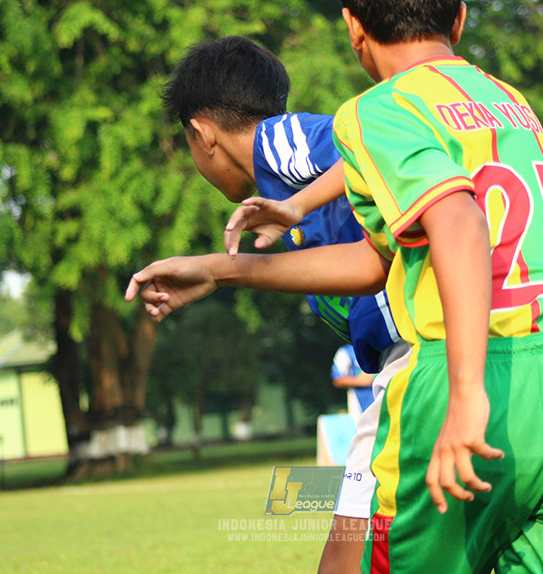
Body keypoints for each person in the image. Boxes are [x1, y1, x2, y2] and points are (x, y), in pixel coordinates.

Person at [128, 0, 543, 573]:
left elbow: (456, 219)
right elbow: (376, 262)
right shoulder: (508, 101)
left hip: (472, 375)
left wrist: (467, 390)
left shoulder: (377, 110)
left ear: (352, 29)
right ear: (459, 19)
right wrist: (225, 271)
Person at [157, 35, 409, 573]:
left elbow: (377, 149)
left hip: (419, 356)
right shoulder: (279, 172)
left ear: (202, 135)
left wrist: (296, 205)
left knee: (344, 560)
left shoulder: (279, 142)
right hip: (413, 357)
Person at [330, 343, 374, 423]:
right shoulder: (346, 351)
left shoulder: (381, 344)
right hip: (361, 409)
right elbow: (337, 379)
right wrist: (360, 381)